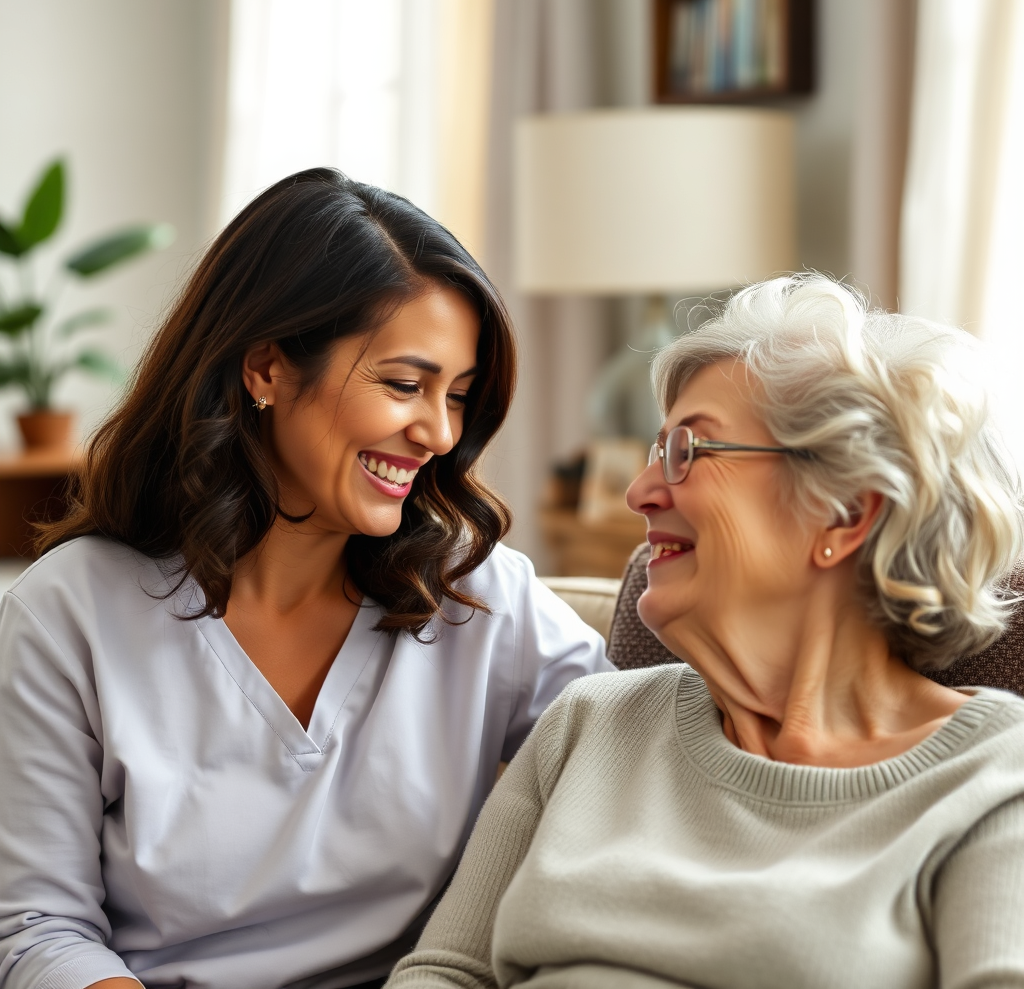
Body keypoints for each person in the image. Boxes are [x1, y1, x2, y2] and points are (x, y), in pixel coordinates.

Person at [0, 169, 611, 989]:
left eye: (459, 396)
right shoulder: (68, 612)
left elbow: (636, 749)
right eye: (405, 384)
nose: (437, 431)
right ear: (266, 370)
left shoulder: (477, 596)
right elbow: (37, 928)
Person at [386, 274, 1024, 989]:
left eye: (687, 451)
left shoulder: (996, 778)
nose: (640, 492)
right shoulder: (589, 723)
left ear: (845, 514)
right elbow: (444, 973)